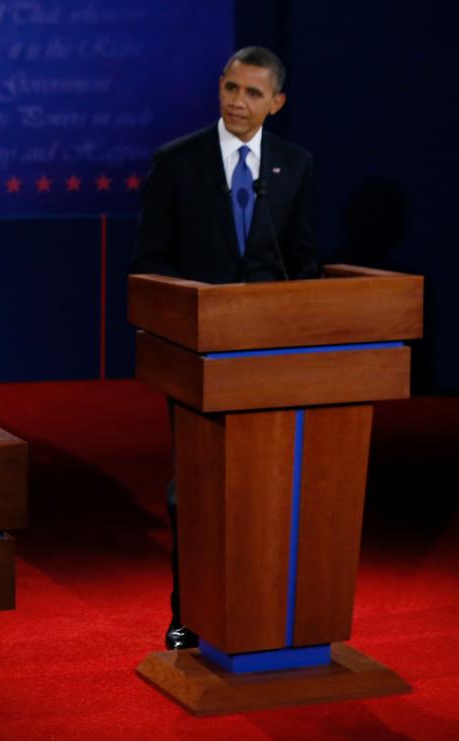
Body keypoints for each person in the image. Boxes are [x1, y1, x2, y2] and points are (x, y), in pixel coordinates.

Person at [130, 47, 321, 650]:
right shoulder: (176, 164)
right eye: (231, 88)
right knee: (198, 486)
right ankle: (189, 610)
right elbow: (149, 268)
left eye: (254, 93)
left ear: (277, 103)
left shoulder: (295, 166)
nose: (238, 102)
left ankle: (269, 614)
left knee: (271, 488)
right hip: (199, 355)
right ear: (219, 87)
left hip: (272, 356)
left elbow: (303, 261)